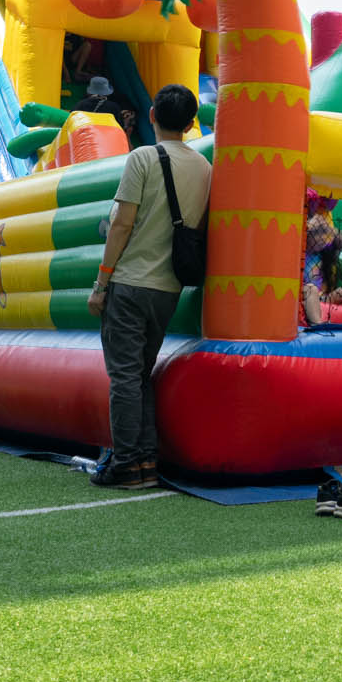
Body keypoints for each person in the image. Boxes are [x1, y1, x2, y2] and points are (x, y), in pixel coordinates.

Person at [87, 84, 208, 489]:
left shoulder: (141, 157)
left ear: (152, 115)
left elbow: (122, 223)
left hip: (130, 282)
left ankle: (126, 463)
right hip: (167, 289)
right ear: (190, 124)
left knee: (124, 377)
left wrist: (101, 282)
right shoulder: (204, 168)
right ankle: (145, 461)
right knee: (140, 375)